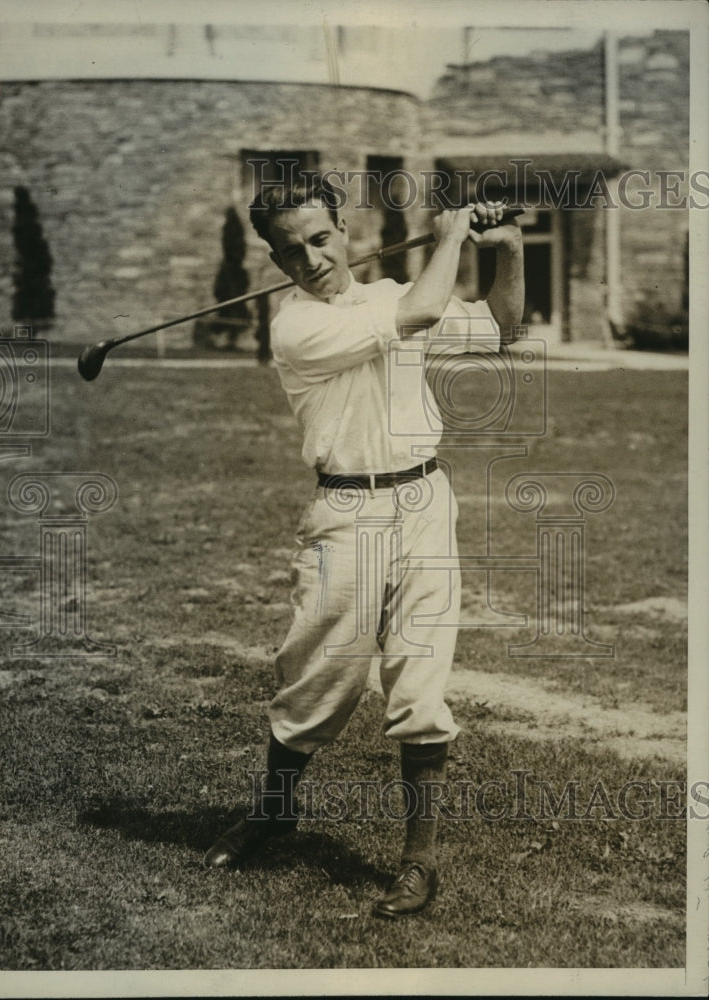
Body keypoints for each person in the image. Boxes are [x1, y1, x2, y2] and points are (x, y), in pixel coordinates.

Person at [204, 177, 524, 918]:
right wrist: (449, 236)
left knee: (418, 681)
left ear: (343, 225)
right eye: (292, 251)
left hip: (422, 502)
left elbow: (501, 328)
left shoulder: (389, 295)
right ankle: (276, 811)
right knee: (317, 677)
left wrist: (505, 251)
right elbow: (422, 309)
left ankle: (420, 862)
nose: (312, 259)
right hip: (344, 509)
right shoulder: (294, 328)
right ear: (277, 261)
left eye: (320, 238)